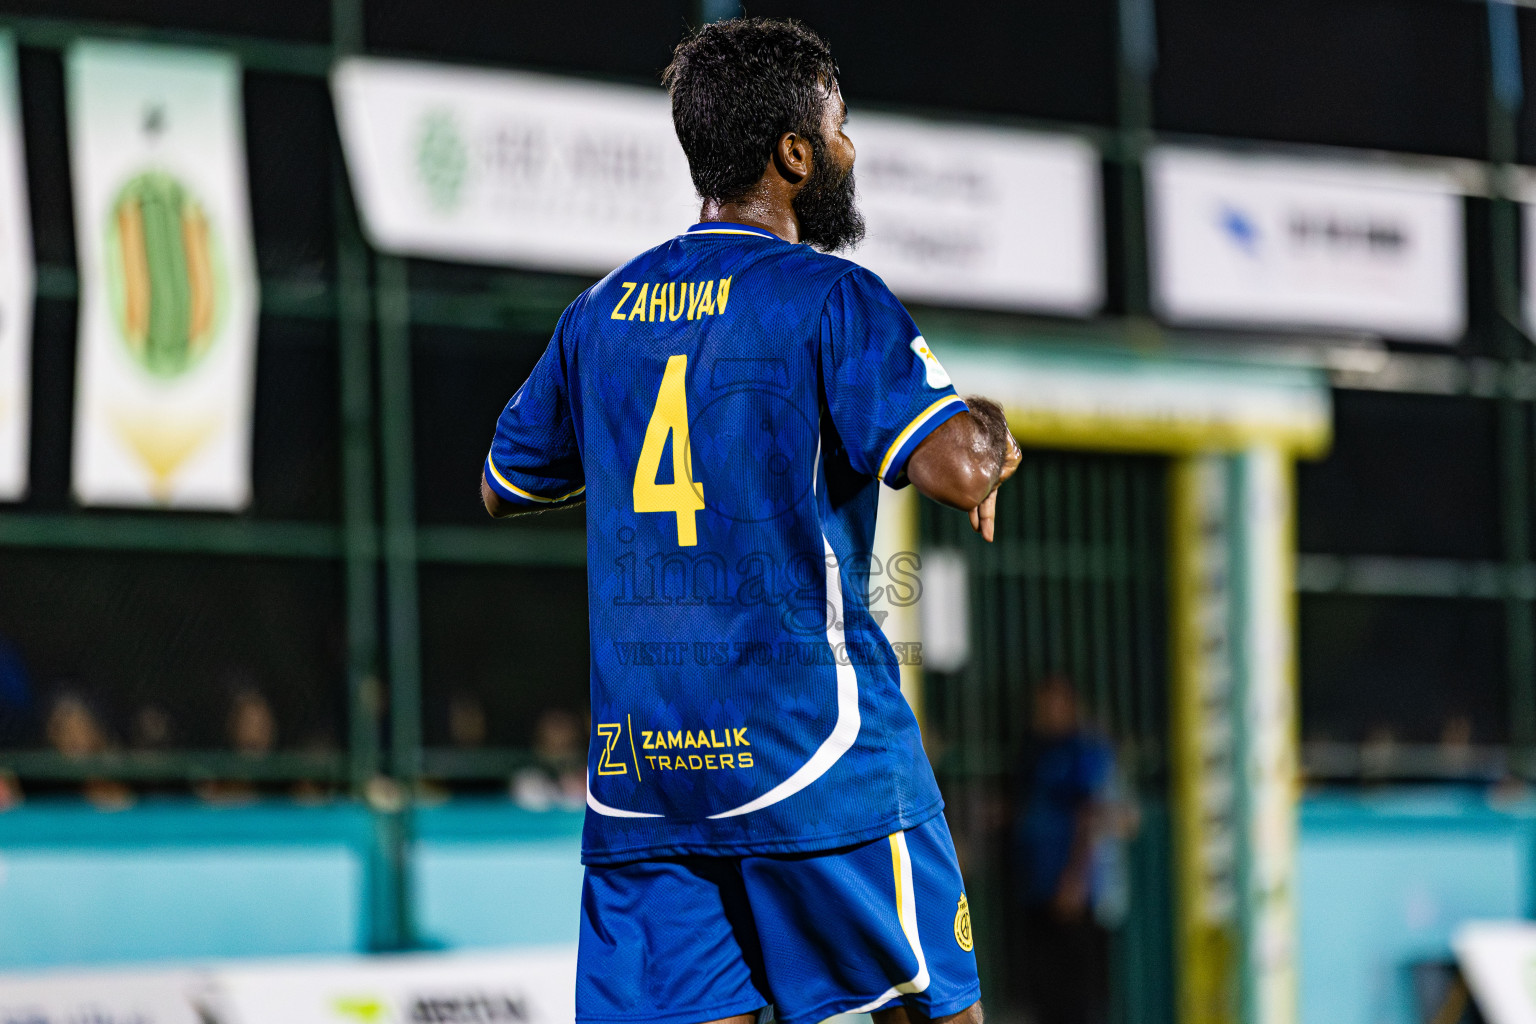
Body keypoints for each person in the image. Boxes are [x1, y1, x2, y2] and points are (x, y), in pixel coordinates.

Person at [480, 18, 1021, 1024]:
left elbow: (504, 482)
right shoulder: (831, 298)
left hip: (649, 784)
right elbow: (952, 466)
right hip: (814, 754)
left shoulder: (597, 313)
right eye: (843, 129)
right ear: (795, 154)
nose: (852, 151)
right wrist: (990, 431)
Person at [1011, 676, 1116, 1024]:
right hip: (1035, 889)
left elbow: (1089, 817)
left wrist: (1074, 880)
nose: (1045, 713)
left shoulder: (1083, 751)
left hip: (1072, 893)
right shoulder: (1033, 751)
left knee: (1075, 996)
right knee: (1042, 993)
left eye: (1054, 704)